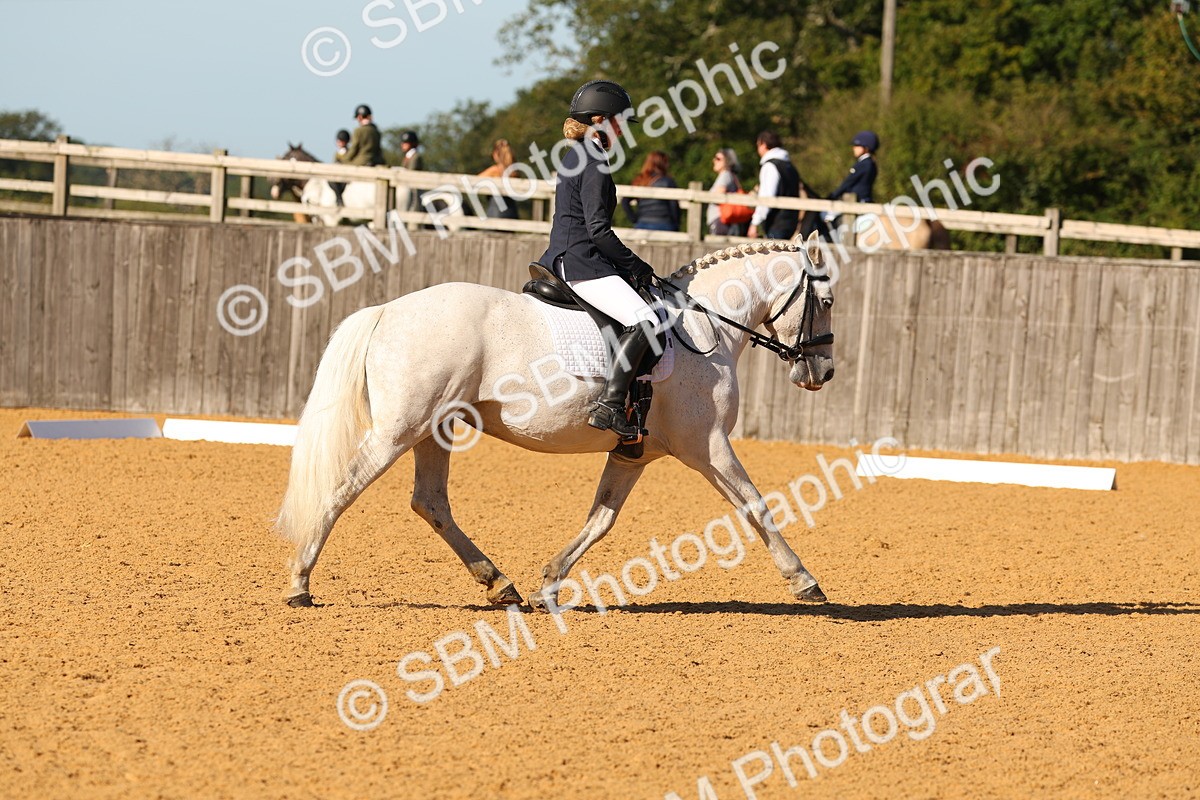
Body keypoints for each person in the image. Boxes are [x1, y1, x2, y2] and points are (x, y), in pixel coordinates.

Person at [538, 79, 658, 440]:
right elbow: (598, 230)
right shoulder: (593, 158)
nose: (621, 130)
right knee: (646, 320)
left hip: (562, 256)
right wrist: (636, 266)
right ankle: (609, 404)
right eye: (619, 121)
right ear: (599, 119)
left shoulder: (574, 152)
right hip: (582, 261)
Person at [747, 130, 801, 240]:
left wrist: (755, 223)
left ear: (763, 145)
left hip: (776, 223)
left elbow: (767, 197)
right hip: (791, 222)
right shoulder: (789, 166)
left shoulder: (770, 166)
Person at [821, 130, 879, 227]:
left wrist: (831, 196)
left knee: (825, 215)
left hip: (857, 200)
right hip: (862, 199)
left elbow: (847, 184)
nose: (854, 148)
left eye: (857, 146)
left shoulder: (864, 164)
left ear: (866, 148)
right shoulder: (870, 164)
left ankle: (834, 239)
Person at [621, 150, 680, 231]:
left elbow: (625, 201)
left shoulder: (640, 181)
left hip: (642, 224)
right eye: (666, 162)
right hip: (664, 224)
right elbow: (674, 207)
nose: (668, 165)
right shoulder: (668, 181)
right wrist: (676, 225)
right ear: (662, 164)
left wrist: (635, 220)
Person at [706, 148, 747, 236]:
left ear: (727, 161)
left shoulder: (725, 175)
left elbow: (718, 196)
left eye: (718, 159)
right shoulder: (730, 175)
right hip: (724, 221)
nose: (714, 160)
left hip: (720, 221)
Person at [477, 139, 519, 220]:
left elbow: (473, 182)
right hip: (512, 214)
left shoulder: (495, 171)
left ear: (496, 154)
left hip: (495, 213)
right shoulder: (514, 172)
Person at [330, 129, 351, 206]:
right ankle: (338, 197)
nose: (339, 143)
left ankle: (339, 199)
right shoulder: (337, 153)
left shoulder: (349, 152)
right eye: (339, 141)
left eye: (341, 141)